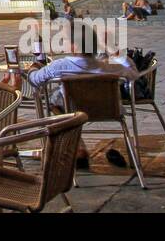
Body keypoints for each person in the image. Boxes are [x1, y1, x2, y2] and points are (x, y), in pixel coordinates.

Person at [18, 20, 137, 168]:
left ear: (74, 46)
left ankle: (77, 148)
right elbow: (132, 72)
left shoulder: (60, 66)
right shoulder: (107, 66)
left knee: (54, 104)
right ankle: (79, 148)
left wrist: (34, 66)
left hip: (73, 112)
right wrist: (113, 48)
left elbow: (35, 80)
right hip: (108, 109)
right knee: (58, 102)